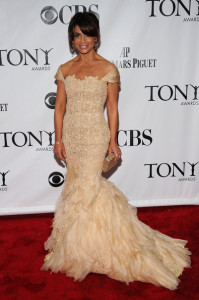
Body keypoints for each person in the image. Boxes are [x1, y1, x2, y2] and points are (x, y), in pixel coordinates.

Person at [41, 12, 191, 290]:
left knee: (89, 185)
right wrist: (58, 140)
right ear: (71, 39)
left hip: (95, 134)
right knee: (77, 187)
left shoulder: (109, 68)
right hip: (72, 136)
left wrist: (113, 140)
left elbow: (112, 108)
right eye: (77, 35)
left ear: (96, 36)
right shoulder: (64, 68)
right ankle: (80, 245)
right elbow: (59, 107)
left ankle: (101, 247)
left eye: (87, 34)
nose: (83, 40)